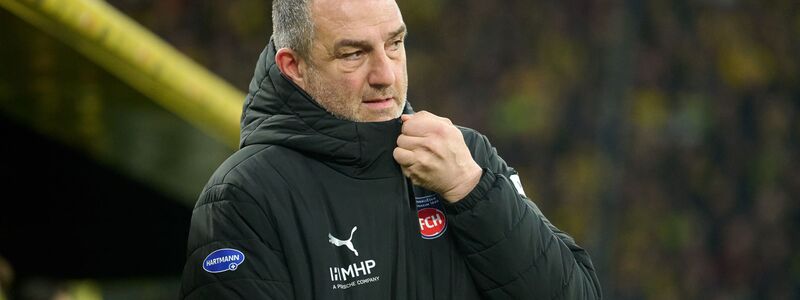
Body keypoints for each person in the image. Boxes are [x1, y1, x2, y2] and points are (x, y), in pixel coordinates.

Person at [179, 0, 602, 298]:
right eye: (354, 53)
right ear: (295, 67)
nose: (386, 74)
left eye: (395, 44)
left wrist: (473, 191)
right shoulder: (244, 197)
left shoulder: (465, 155)